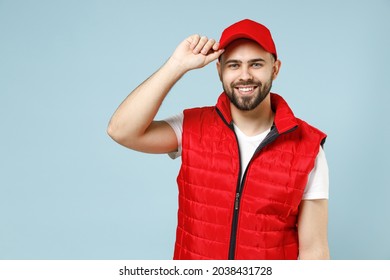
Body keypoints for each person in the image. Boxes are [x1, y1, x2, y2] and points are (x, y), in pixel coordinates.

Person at [107, 19, 330, 260]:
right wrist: (177, 65)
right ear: (219, 70)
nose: (245, 76)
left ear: (275, 69)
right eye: (234, 65)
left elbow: (314, 251)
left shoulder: (307, 146)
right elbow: (121, 130)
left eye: (256, 64)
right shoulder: (191, 126)